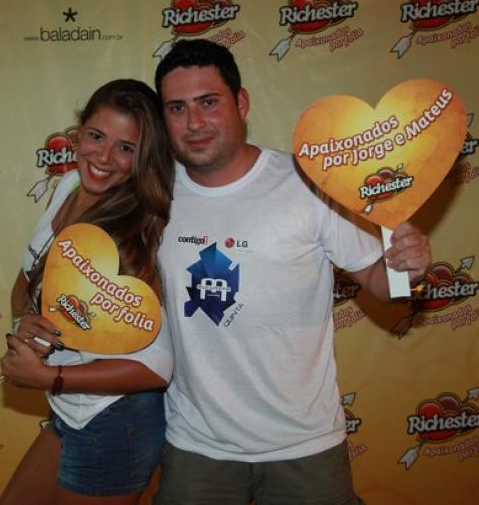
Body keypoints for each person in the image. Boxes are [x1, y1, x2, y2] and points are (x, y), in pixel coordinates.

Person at [149, 39, 432, 504]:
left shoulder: (307, 184)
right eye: (177, 108)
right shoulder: (154, 195)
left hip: (306, 447)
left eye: (208, 102)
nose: (194, 122)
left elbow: (382, 282)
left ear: (241, 103)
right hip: (197, 447)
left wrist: (409, 266)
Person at [0, 79, 174, 505]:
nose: (104, 157)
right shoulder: (69, 186)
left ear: (144, 156)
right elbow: (30, 278)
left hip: (115, 420)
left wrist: (49, 377)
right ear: (78, 133)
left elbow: (156, 367)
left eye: (126, 147)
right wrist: (26, 321)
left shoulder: (138, 230)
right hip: (69, 411)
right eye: (97, 136)